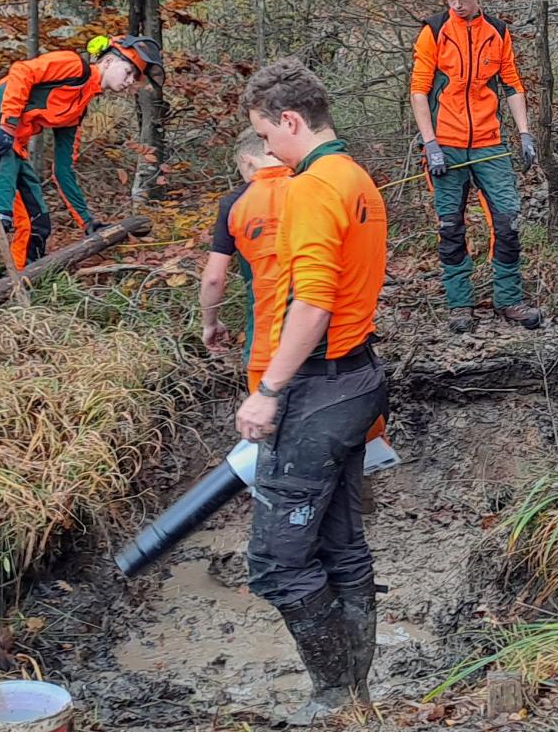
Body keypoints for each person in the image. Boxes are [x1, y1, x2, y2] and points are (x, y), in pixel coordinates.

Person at [236, 58, 391, 723]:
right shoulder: (357, 178)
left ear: (290, 121)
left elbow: (312, 304)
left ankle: (333, 695)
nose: (266, 150)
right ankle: (354, 695)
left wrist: (269, 389)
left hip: (318, 386)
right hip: (359, 378)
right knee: (339, 544)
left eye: (267, 136)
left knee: (277, 561)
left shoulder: (311, 187)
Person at [0, 35, 160, 293]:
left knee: (36, 222)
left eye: (134, 78)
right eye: (128, 72)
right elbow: (22, 71)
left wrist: (88, 222)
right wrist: (8, 124)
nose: (129, 82)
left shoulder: (78, 108)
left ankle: (22, 288)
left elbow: (63, 169)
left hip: (11, 144)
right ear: (110, 60)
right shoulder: (73, 65)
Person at [409, 0, 547, 334]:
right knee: (451, 226)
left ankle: (509, 299)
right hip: (446, 146)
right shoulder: (434, 32)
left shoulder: (497, 32)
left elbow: (512, 85)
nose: (456, 4)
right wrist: (431, 144)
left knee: (508, 222)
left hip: (489, 144)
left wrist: (524, 134)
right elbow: (419, 92)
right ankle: (459, 305)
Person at [199, 128, 294, 385]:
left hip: (267, 339)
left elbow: (214, 280)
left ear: (247, 161)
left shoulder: (235, 202)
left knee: (266, 416)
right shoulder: (315, 188)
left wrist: (210, 323)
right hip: (330, 337)